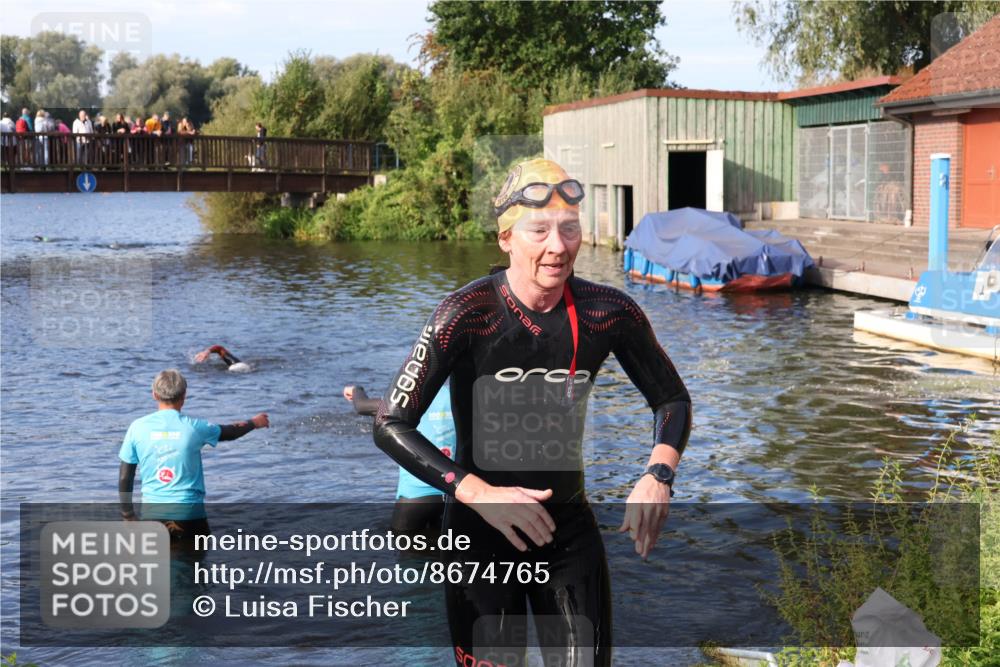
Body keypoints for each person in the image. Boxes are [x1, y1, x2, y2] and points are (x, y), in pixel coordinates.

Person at [373, 158, 692, 666]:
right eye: (539, 230)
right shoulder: (464, 314)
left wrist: (658, 473)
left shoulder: (607, 312)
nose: (558, 246)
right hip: (479, 536)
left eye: (569, 229)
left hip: (569, 535)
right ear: (506, 238)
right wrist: (479, 494)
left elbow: (671, 398)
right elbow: (390, 423)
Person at [118, 369, 269, 543]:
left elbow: (125, 477)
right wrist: (254, 422)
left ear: (154, 394)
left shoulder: (137, 428)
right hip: (189, 515)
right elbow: (231, 432)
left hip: (153, 515)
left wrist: (128, 515)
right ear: (184, 395)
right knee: (195, 567)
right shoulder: (196, 427)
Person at [345, 384, 455, 534]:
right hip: (456, 492)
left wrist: (356, 390)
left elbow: (362, 406)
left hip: (416, 495)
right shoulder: (459, 396)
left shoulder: (406, 398)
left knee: (406, 551)